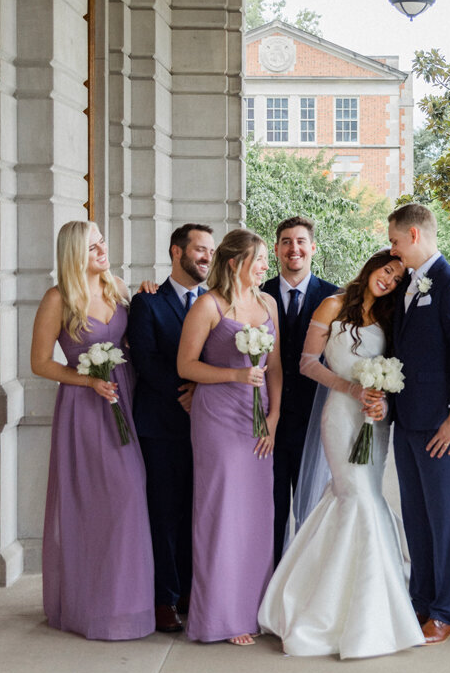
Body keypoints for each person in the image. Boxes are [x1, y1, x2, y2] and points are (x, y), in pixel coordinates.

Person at [259, 250, 424, 657]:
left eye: (397, 278)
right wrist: (352, 388)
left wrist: (381, 401)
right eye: (387, 270)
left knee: (361, 497)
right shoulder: (333, 305)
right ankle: (332, 610)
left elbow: (399, 367)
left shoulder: (390, 316)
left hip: (375, 418)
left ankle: (372, 601)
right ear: (372, 266)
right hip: (340, 415)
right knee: (356, 497)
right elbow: (306, 363)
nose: (388, 280)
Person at [30, 221, 154, 640]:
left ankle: (129, 606)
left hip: (128, 402)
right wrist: (89, 381)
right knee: (98, 505)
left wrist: (150, 296)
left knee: (130, 498)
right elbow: (40, 363)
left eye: (102, 242)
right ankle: (92, 609)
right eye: (93, 246)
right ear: (73, 254)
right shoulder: (58, 298)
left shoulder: (117, 286)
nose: (103, 250)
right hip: (85, 409)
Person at [178, 229, 281, 645]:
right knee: (220, 513)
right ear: (236, 262)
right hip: (218, 418)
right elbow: (186, 366)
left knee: (256, 516)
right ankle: (221, 616)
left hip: (258, 422)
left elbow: (274, 368)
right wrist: (235, 375)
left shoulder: (268, 302)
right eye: (259, 259)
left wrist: (274, 416)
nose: (265, 267)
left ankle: (254, 609)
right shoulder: (208, 305)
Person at [388, 202, 450, 645]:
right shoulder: (407, 282)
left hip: (440, 422)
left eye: (394, 241)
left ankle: (446, 610)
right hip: (406, 419)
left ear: (413, 235)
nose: (392, 250)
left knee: (444, 518)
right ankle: (420, 601)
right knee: (417, 517)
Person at [127, 223, 215, 633]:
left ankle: (190, 592)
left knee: (197, 510)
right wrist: (186, 391)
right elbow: (145, 360)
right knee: (163, 513)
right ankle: (164, 599)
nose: (206, 257)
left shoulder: (216, 301)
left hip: (209, 424)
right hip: (161, 424)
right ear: (176, 252)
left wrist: (202, 392)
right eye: (199, 249)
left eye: (210, 251)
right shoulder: (147, 302)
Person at [262, 217, 338, 563]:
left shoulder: (334, 297)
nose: (294, 249)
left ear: (312, 248)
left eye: (301, 241)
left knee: (313, 509)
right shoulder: (257, 293)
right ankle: (271, 587)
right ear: (276, 249)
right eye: (286, 242)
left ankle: (305, 584)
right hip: (267, 422)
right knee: (270, 508)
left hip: (317, 420)